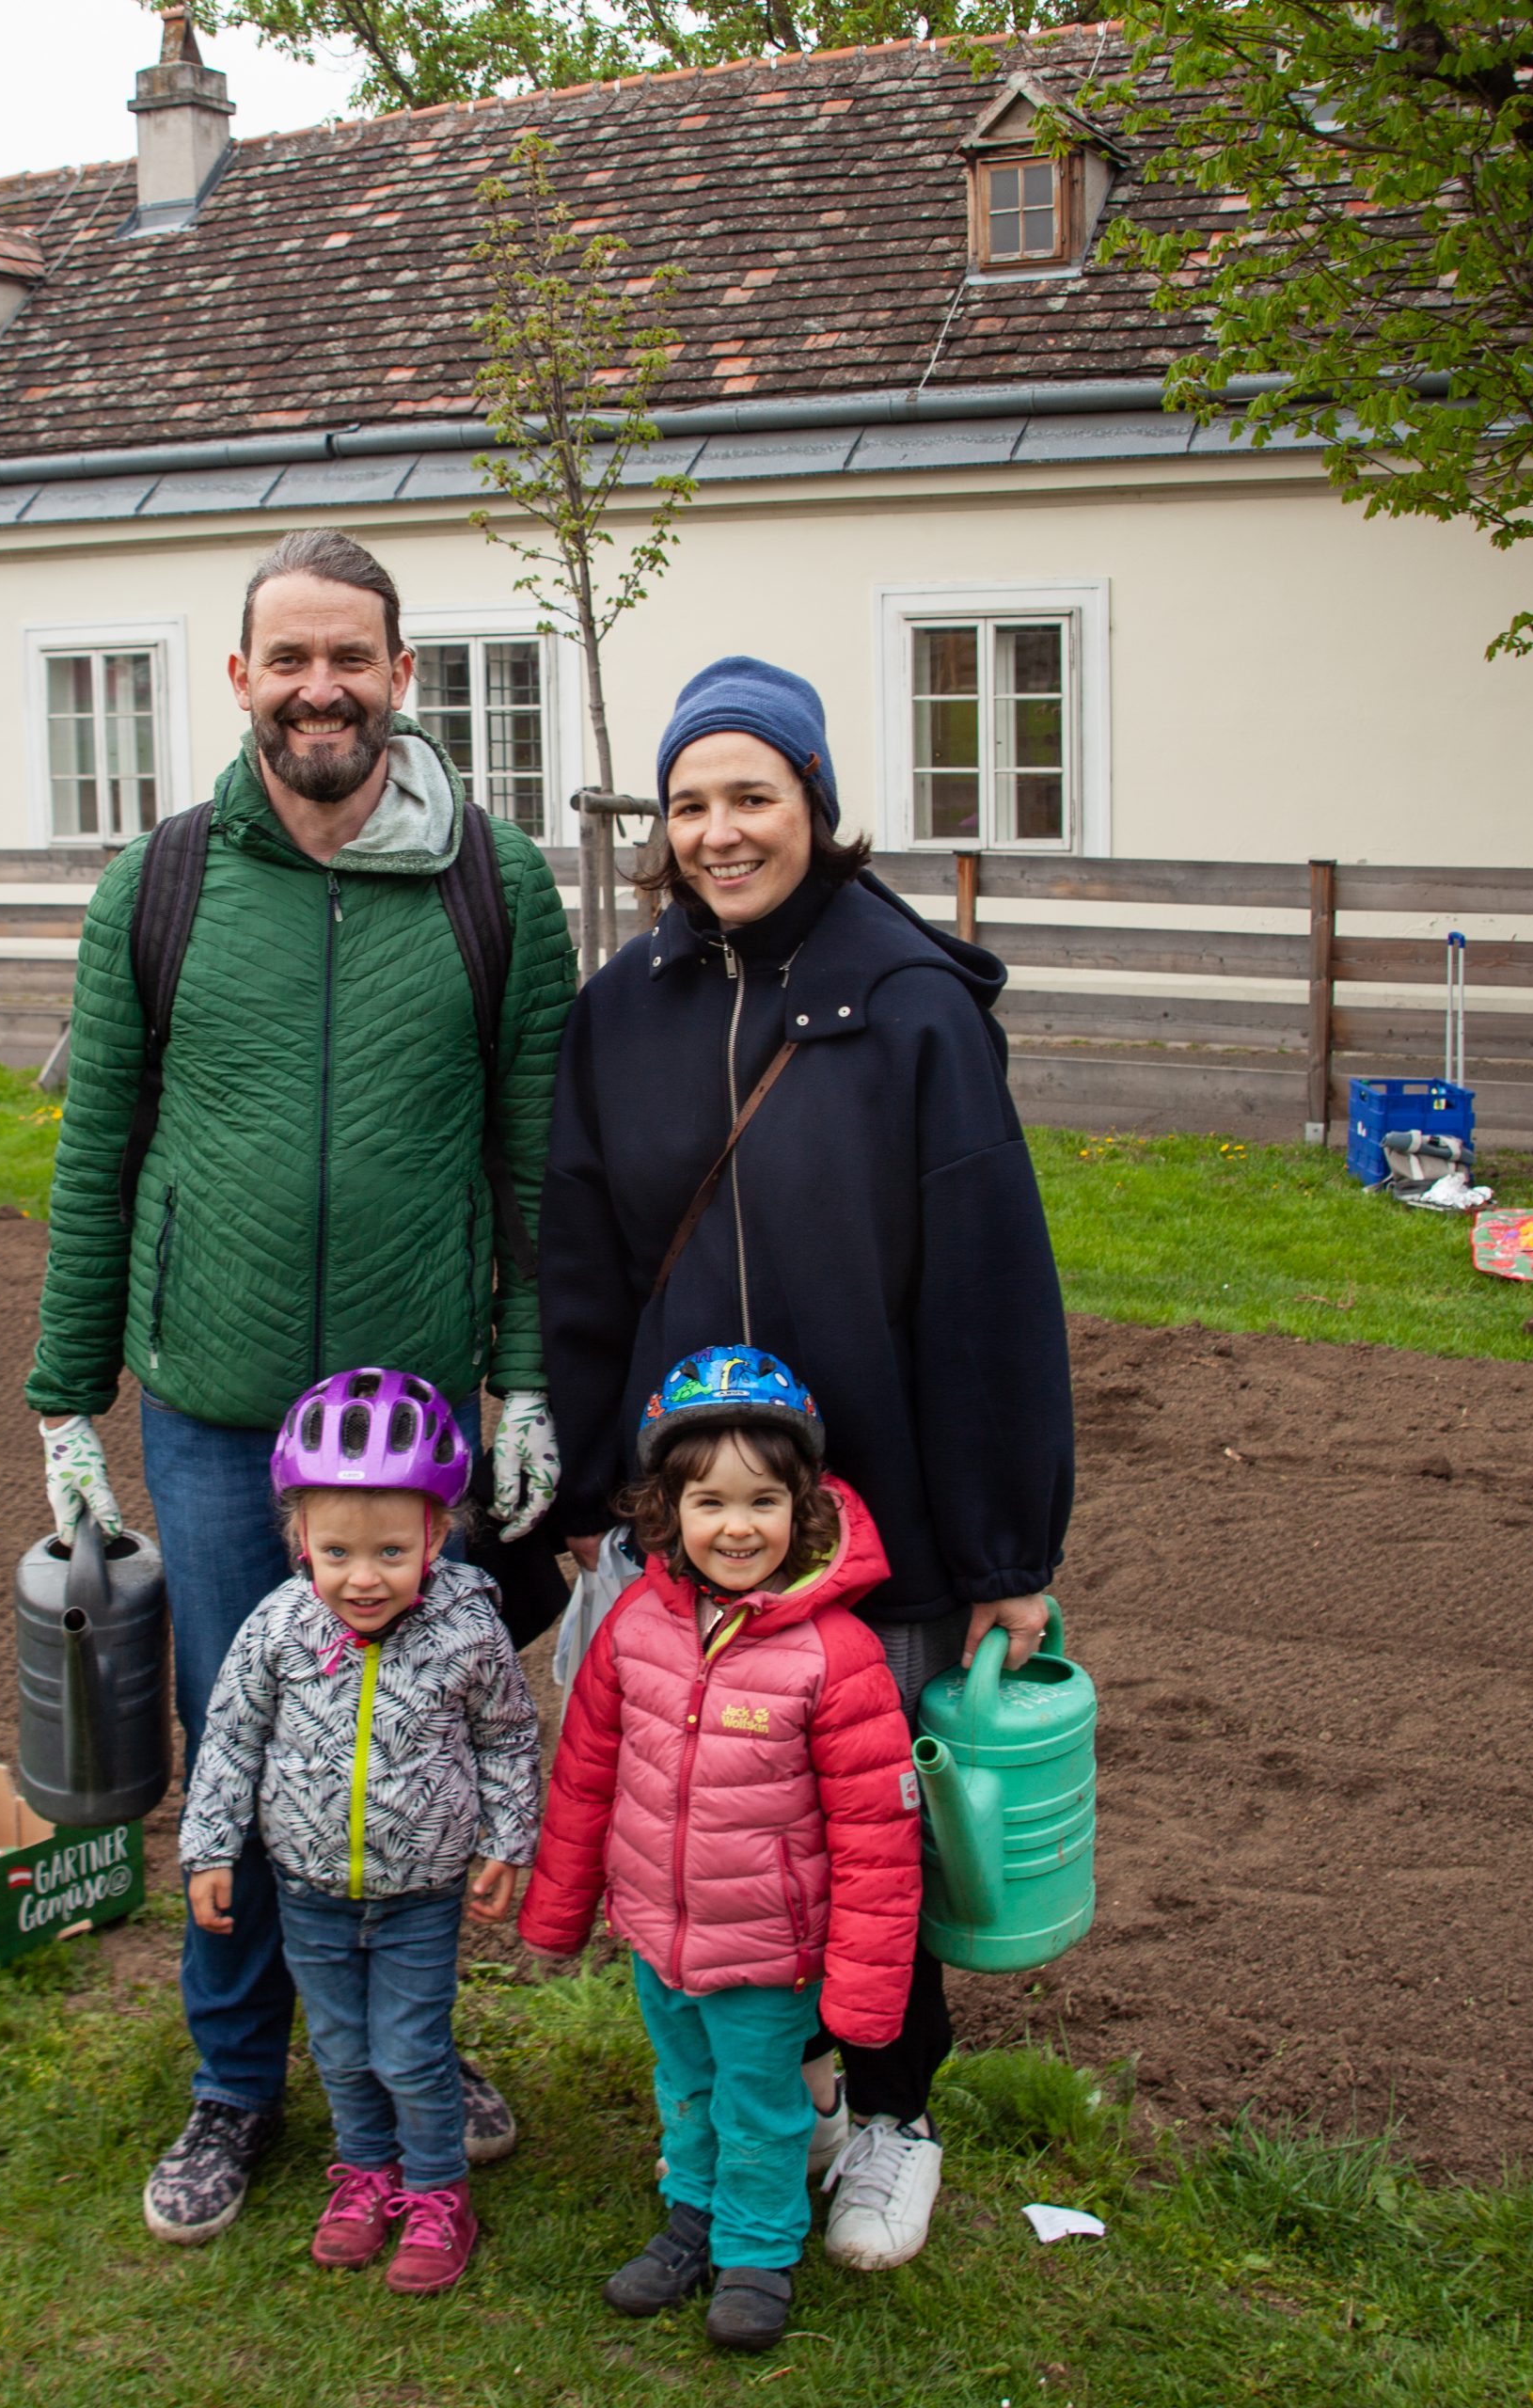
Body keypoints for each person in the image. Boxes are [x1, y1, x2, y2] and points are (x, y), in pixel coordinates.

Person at [27, 530, 576, 2243]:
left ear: (402, 676)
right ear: (243, 678)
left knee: (416, 1739)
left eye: (351, 657)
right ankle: (233, 2084)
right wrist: (66, 1397)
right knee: (241, 1734)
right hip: (216, 1406)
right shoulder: (162, 882)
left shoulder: (497, 883)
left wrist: (522, 1380)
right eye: (289, 658)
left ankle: (407, 2057)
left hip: (413, 1431)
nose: (319, 687)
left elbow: (531, 1162)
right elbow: (98, 1152)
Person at [538, 657, 1074, 2273]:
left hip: (870, 1526)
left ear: (816, 806)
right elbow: (583, 1263)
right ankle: (784, 2102)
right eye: (689, 802)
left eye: (751, 795)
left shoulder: (909, 1007)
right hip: (680, 1522)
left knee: (862, 1836)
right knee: (719, 1830)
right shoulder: (618, 1012)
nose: (719, 830)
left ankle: (895, 2113)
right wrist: (588, 1496)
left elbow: (988, 1288)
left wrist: (1003, 1553)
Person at [518, 1346, 921, 2352]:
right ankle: (691, 2218)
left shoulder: (834, 1656)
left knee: (759, 2103)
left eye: (761, 1501)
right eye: (709, 1502)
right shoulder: (634, 1628)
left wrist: (866, 1989)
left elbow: (876, 1839)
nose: (736, 1527)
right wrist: (559, 1909)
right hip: (659, 1935)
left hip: (766, 1951)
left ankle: (757, 2251)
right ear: (667, 1509)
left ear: (804, 1505)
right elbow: (586, 1775)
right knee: (687, 2088)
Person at [181, 1370, 539, 2295]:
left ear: (435, 1536)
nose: (363, 1577)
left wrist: (506, 1840)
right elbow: (230, 1736)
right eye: (336, 1550)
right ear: (298, 1538)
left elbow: (507, 1736)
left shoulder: (467, 1632)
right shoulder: (279, 1627)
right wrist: (210, 1847)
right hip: (308, 1891)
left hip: (421, 1895)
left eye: (390, 1551)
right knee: (341, 2052)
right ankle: (366, 2174)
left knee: (410, 2053)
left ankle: (436, 2191)